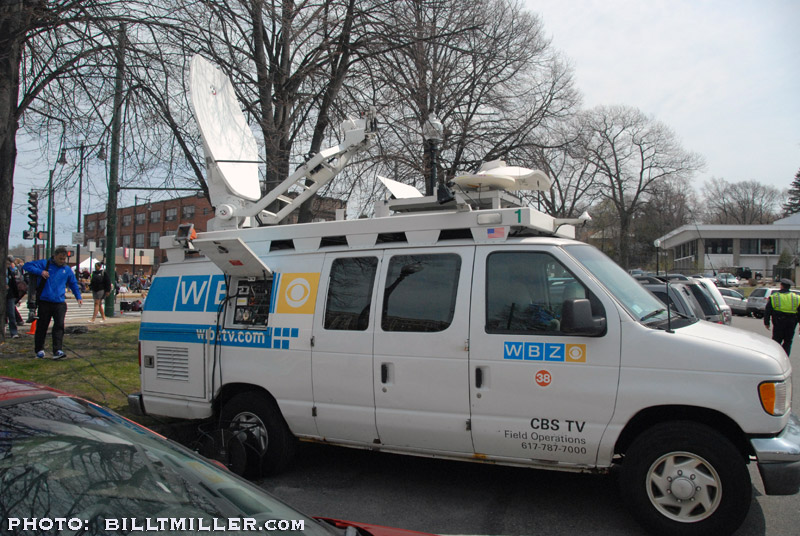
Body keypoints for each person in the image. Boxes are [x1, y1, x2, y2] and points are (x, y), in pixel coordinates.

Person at [23, 247, 83, 360]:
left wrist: (78, 296)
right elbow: (26, 266)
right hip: (45, 301)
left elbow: (73, 283)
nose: (62, 261)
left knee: (59, 326)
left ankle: (57, 350)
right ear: (54, 256)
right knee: (42, 326)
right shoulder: (44, 264)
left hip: (59, 302)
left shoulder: (67, 269)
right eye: (60, 258)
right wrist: (40, 272)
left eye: (64, 259)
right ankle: (39, 349)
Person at [764, 278, 800, 355]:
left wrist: (766, 322)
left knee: (776, 342)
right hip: (791, 322)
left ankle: (775, 356)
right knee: (788, 341)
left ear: (781, 286)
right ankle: (785, 357)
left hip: (778, 322)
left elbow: (768, 310)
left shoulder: (774, 296)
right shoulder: (796, 297)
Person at [5, 256, 20, 338]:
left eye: (8, 263)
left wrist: (16, 296)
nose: (7, 265)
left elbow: (14, 284)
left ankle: (14, 332)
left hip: (10, 295)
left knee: (11, 314)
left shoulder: (10, 271)